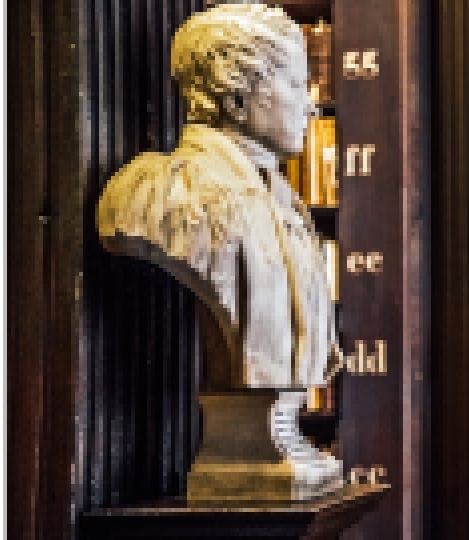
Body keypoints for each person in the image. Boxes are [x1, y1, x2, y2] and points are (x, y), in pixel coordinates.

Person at [96, 3, 340, 500]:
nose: (312, 105)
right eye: (296, 83)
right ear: (235, 95)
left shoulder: (288, 205)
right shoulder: (159, 196)